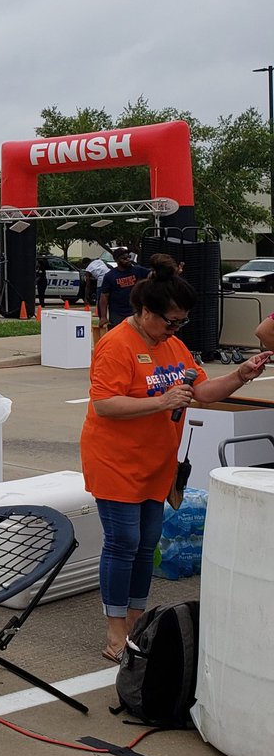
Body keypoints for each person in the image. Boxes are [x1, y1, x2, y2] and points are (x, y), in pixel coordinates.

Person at [80, 253, 272, 662]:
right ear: (146, 311)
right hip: (115, 459)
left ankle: (136, 619)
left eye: (182, 321)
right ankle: (116, 629)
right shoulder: (116, 345)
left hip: (157, 460)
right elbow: (104, 405)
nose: (176, 328)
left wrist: (240, 375)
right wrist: (160, 401)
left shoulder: (173, 345)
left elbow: (199, 392)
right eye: (170, 321)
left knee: (147, 541)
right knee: (123, 542)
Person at [98, 247, 150, 329]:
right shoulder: (110, 276)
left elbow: (152, 274)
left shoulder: (138, 270)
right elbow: (104, 296)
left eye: (129, 257)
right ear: (117, 260)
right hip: (117, 313)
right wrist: (103, 317)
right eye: (124, 258)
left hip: (135, 311)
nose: (128, 259)